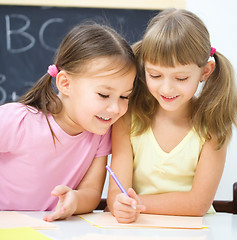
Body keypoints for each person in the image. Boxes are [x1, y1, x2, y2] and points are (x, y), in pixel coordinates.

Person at [107, 8, 237, 223]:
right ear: (144, 68)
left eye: (181, 78)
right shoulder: (128, 118)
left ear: (205, 71)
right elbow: (116, 193)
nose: (166, 89)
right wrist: (119, 204)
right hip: (137, 229)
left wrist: (137, 204)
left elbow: (197, 204)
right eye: (155, 75)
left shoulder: (213, 125)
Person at [0, 22, 136, 222]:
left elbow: (91, 193)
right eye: (104, 94)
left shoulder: (100, 132)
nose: (116, 109)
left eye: (124, 97)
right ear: (65, 84)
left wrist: (74, 201)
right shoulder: (16, 120)